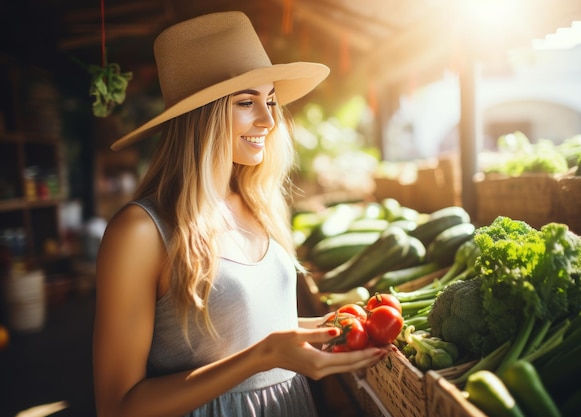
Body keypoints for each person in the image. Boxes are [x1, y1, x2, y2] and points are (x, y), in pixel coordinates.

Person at [93, 11, 390, 417]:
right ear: (202, 115)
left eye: (269, 100)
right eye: (247, 102)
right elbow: (117, 407)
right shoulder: (140, 232)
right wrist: (263, 356)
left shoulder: (258, 203)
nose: (269, 119)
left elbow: (243, 332)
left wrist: (324, 327)